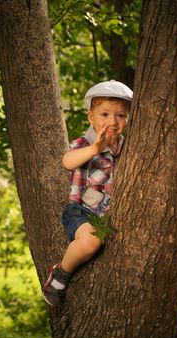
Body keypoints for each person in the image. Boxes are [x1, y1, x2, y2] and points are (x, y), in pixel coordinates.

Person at [43, 80, 133, 306]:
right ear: (91, 117)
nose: (112, 121)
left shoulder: (129, 147)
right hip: (81, 212)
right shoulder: (84, 143)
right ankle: (60, 274)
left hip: (110, 216)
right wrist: (95, 149)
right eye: (104, 114)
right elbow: (67, 161)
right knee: (91, 242)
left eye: (120, 116)